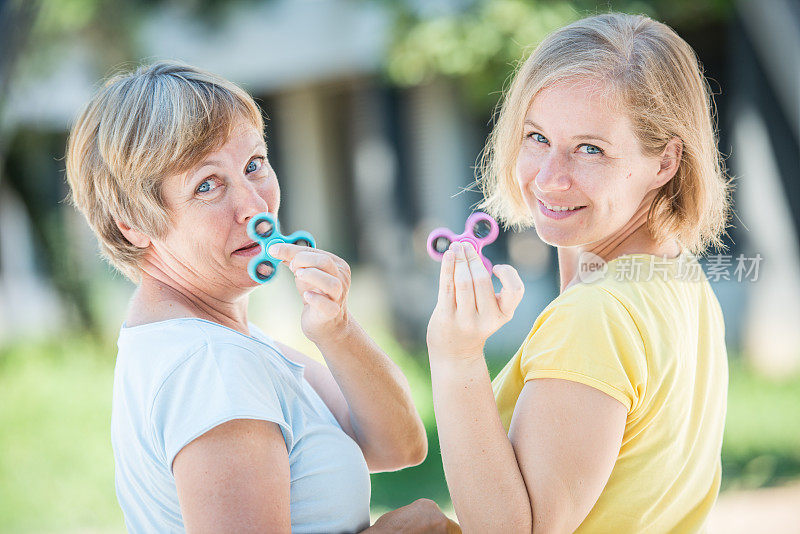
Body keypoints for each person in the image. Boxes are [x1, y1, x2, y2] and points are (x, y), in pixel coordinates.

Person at [65, 61, 455, 533]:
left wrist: (337, 329)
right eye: (207, 185)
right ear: (133, 223)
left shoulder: (224, 340)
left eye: (254, 165)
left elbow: (400, 445)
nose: (253, 206)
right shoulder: (211, 364)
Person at [426, 13, 731, 533]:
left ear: (665, 162)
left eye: (590, 148)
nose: (548, 178)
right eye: (536, 136)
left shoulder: (595, 315)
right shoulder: (679, 277)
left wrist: (455, 357)